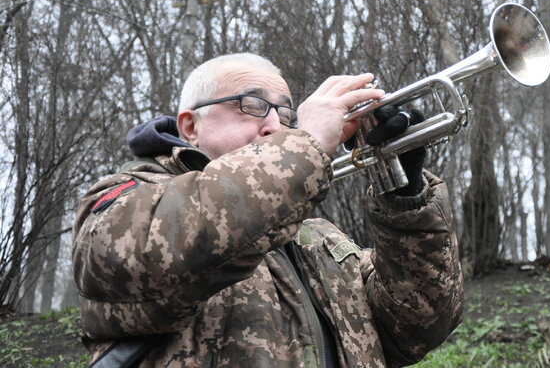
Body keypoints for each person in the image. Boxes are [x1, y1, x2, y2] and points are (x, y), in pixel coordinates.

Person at [71, 53, 464, 367]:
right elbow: (151, 253)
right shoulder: (125, 197)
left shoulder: (318, 234)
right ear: (190, 127)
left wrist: (404, 192)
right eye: (253, 105)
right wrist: (304, 143)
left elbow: (416, 328)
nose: (276, 126)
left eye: (288, 116)